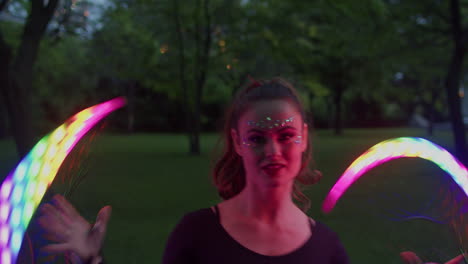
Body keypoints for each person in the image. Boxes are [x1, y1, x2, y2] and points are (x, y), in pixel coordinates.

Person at [37, 77, 465, 264]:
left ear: (304, 141)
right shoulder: (195, 235)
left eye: (286, 135)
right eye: (257, 137)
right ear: (238, 142)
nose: (272, 149)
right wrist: (91, 260)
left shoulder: (328, 249)